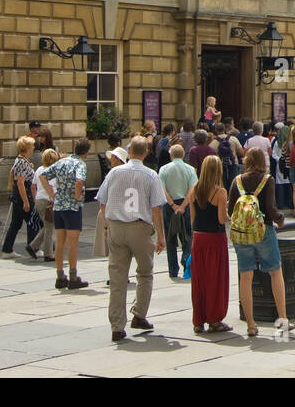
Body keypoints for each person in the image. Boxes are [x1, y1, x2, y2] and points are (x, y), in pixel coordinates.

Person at [98, 136, 166, 341]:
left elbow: (102, 200)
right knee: (145, 273)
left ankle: (117, 326)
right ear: (146, 153)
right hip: (140, 227)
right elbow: (156, 209)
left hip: (117, 226)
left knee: (118, 278)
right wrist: (160, 235)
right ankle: (139, 314)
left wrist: (107, 225)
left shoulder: (114, 173)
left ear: (129, 151)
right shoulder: (151, 175)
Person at [229, 148, 291, 338]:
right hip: (263, 230)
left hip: (242, 234)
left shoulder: (237, 181)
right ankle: (282, 319)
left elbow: (231, 209)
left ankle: (250, 324)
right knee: (275, 272)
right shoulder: (267, 180)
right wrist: (280, 220)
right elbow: (272, 208)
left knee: (245, 277)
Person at [188, 154, 232, 334]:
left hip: (198, 238)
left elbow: (192, 220)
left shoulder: (194, 190)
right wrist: (230, 214)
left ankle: (198, 320)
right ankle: (214, 319)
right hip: (215, 239)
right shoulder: (220, 192)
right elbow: (222, 219)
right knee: (216, 279)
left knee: (199, 280)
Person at [43, 138, 91, 289]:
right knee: (73, 243)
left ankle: (59, 275)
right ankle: (73, 276)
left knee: (60, 241)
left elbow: (43, 175)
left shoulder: (62, 161)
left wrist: (52, 193)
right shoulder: (80, 164)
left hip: (58, 206)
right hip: (72, 207)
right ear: (86, 152)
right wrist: (77, 195)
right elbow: (79, 180)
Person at [159, 143, 198, 278]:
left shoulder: (163, 169)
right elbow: (192, 189)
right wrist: (183, 206)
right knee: (187, 235)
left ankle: (173, 270)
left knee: (170, 237)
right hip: (185, 204)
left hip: (170, 206)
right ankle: (186, 259)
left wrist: (172, 205)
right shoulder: (190, 169)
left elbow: (162, 189)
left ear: (170, 155)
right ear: (183, 155)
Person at [0, 136, 39, 258]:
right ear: (27, 148)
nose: (33, 147)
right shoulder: (22, 162)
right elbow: (20, 183)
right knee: (33, 222)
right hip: (23, 195)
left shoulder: (21, 160)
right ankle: (34, 248)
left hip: (18, 197)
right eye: (32, 145)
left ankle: (7, 249)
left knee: (16, 223)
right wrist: (26, 202)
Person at [30, 147, 58, 260]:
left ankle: (33, 246)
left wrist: (35, 198)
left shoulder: (39, 169)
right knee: (49, 228)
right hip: (48, 201)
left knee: (47, 226)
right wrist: (53, 200)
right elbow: (51, 188)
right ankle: (48, 253)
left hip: (39, 200)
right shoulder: (52, 171)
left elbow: (33, 186)